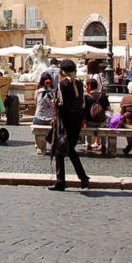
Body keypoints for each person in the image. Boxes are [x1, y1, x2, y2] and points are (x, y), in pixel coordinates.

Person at [48, 59, 89, 191]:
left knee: (60, 149)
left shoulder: (62, 84)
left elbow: (61, 104)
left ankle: (61, 181)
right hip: (77, 120)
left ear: (63, 71)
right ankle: (83, 178)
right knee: (70, 149)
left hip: (65, 121)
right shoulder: (79, 83)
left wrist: (55, 104)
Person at [83, 77, 111, 151]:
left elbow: (83, 110)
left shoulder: (86, 97)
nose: (85, 88)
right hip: (101, 120)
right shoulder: (103, 95)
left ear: (89, 86)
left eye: (86, 86)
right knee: (103, 125)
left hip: (90, 121)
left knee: (87, 125)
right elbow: (109, 109)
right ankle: (103, 144)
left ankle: (88, 143)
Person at [32, 74, 56, 155]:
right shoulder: (55, 92)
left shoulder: (37, 92)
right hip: (51, 120)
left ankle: (37, 145)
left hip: (39, 119)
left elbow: (36, 105)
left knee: (35, 119)